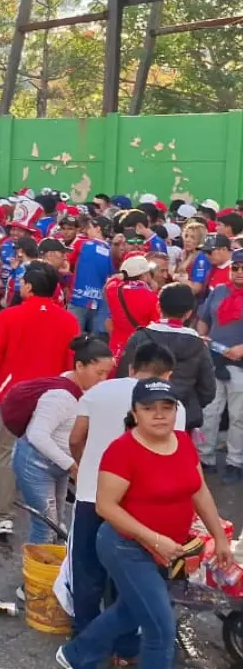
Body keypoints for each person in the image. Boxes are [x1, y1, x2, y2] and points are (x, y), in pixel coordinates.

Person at [57, 379, 231, 669]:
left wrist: (219, 537)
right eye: (149, 408)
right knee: (160, 629)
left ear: (176, 410)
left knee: (132, 610)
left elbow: (199, 490)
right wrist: (154, 538)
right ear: (135, 414)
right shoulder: (122, 451)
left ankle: (76, 653)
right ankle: (80, 653)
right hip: (126, 547)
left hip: (169, 548)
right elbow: (105, 506)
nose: (159, 414)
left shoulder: (184, 442)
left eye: (166, 407)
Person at [68, 343, 184, 659]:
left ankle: (84, 638)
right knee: (128, 576)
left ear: (132, 368)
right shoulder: (173, 406)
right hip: (137, 506)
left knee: (87, 570)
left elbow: (76, 438)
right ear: (168, 374)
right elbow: (173, 456)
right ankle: (124, 648)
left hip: (92, 495)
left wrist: (84, 467)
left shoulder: (99, 391)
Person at [0, 262, 80, 535]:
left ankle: (3, 515)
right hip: (54, 398)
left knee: (5, 453)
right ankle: (51, 518)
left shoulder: (9, 316)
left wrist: (2, 380)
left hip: (13, 395)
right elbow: (71, 362)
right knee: (51, 454)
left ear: (28, 286)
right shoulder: (68, 320)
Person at [12, 335, 113, 545]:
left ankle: (53, 571)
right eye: (99, 372)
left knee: (58, 523)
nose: (103, 379)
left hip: (58, 466)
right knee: (46, 526)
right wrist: (72, 466)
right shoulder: (60, 397)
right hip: (36, 465)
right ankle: (36, 576)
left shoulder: (83, 391)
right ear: (79, 366)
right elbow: (37, 434)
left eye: (107, 373)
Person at [118, 282, 212, 433]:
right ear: (189, 313)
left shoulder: (140, 336)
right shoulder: (198, 344)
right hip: (181, 415)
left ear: (158, 307)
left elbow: (123, 377)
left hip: (141, 414)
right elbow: (208, 390)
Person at [196, 247, 243, 482]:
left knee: (238, 416)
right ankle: (205, 457)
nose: (239, 272)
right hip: (213, 360)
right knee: (210, 411)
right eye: (236, 267)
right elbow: (204, 321)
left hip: (240, 365)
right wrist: (202, 339)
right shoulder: (219, 292)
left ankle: (236, 462)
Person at [103, 255, 159, 362]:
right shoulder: (151, 297)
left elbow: (111, 281)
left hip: (117, 348)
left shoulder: (113, 288)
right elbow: (155, 325)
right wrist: (153, 289)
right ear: (143, 275)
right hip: (140, 349)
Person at [69, 216, 113, 334]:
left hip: (78, 300)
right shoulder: (111, 251)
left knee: (73, 341)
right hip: (99, 303)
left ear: (98, 229)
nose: (86, 231)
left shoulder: (81, 243)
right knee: (94, 345)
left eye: (89, 228)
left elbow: (67, 260)